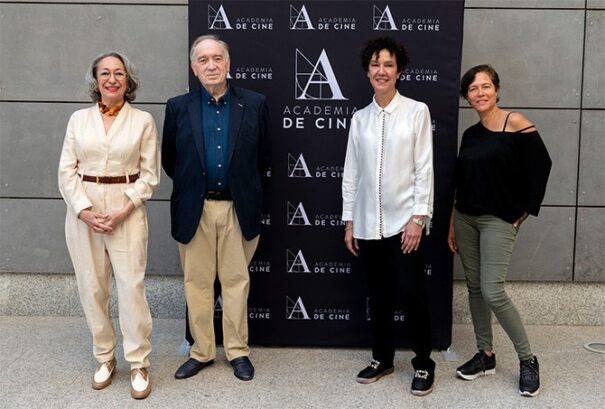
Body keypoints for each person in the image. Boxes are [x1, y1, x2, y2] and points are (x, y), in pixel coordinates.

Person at [162, 34, 271, 382]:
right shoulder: (178, 107)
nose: (211, 65)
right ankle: (202, 351)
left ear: (229, 64)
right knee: (197, 283)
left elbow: (264, 157)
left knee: (237, 282)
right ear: (194, 69)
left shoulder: (254, 104)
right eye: (203, 60)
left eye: (217, 58)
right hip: (196, 208)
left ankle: (238, 351)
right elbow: (170, 161)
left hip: (237, 209)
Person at [58, 51, 160, 399]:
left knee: (131, 288)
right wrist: (84, 210)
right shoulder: (78, 119)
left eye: (119, 73)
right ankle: (104, 357)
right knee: (92, 287)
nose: (112, 79)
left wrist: (121, 210)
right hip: (83, 214)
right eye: (105, 73)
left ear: (128, 81)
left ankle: (138, 361)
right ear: (95, 80)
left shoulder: (143, 120)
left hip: (126, 212)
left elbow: (149, 176)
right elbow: (66, 171)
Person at [448, 64, 552, 397]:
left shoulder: (515, 123)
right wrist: (452, 220)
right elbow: (460, 182)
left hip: (498, 220)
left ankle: (527, 359)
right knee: (476, 289)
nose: (479, 93)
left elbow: (542, 164)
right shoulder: (471, 134)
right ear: (467, 96)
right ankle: (485, 356)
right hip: (465, 218)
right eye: (473, 89)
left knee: (492, 290)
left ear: (497, 89)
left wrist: (525, 210)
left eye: (485, 86)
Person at [342, 36, 436, 396]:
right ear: (367, 71)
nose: (382, 71)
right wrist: (350, 220)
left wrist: (418, 219)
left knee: (412, 294)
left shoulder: (416, 111)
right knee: (378, 295)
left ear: (399, 71)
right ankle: (382, 358)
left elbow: (424, 167)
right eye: (376, 65)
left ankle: (424, 364)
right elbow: (352, 173)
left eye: (389, 65)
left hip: (404, 224)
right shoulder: (360, 118)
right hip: (367, 224)